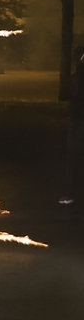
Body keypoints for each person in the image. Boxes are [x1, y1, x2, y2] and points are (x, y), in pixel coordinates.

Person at [62, 46, 84, 204]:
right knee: (74, 155)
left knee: (75, 155)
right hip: (76, 118)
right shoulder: (77, 74)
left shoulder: (78, 74)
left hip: (78, 118)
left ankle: (72, 193)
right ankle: (71, 192)